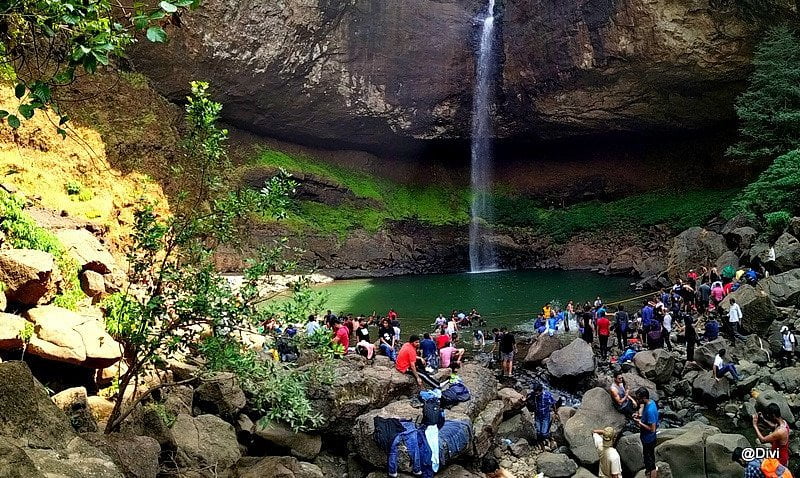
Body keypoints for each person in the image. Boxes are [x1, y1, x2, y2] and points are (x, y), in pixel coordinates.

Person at [753, 403, 791, 467]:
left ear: (773, 415)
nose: (768, 417)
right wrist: (763, 419)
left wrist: (755, 425)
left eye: (769, 416)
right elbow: (774, 427)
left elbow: (762, 440)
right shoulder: (783, 422)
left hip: (780, 461)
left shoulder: (780, 431)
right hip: (779, 456)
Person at [634, 387, 659, 478]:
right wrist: (639, 416)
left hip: (649, 439)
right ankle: (648, 471)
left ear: (644, 398)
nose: (637, 400)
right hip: (647, 438)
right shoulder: (650, 402)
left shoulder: (650, 411)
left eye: (639, 398)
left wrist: (640, 423)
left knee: (650, 462)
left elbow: (652, 428)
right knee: (648, 458)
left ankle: (652, 474)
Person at [526, 382, 556, 451]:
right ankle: (540, 442)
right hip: (537, 415)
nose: (536, 394)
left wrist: (555, 412)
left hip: (545, 415)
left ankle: (548, 436)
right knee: (538, 431)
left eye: (537, 393)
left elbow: (553, 403)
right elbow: (528, 398)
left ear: (541, 390)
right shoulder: (533, 394)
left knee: (544, 433)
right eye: (535, 392)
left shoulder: (547, 395)